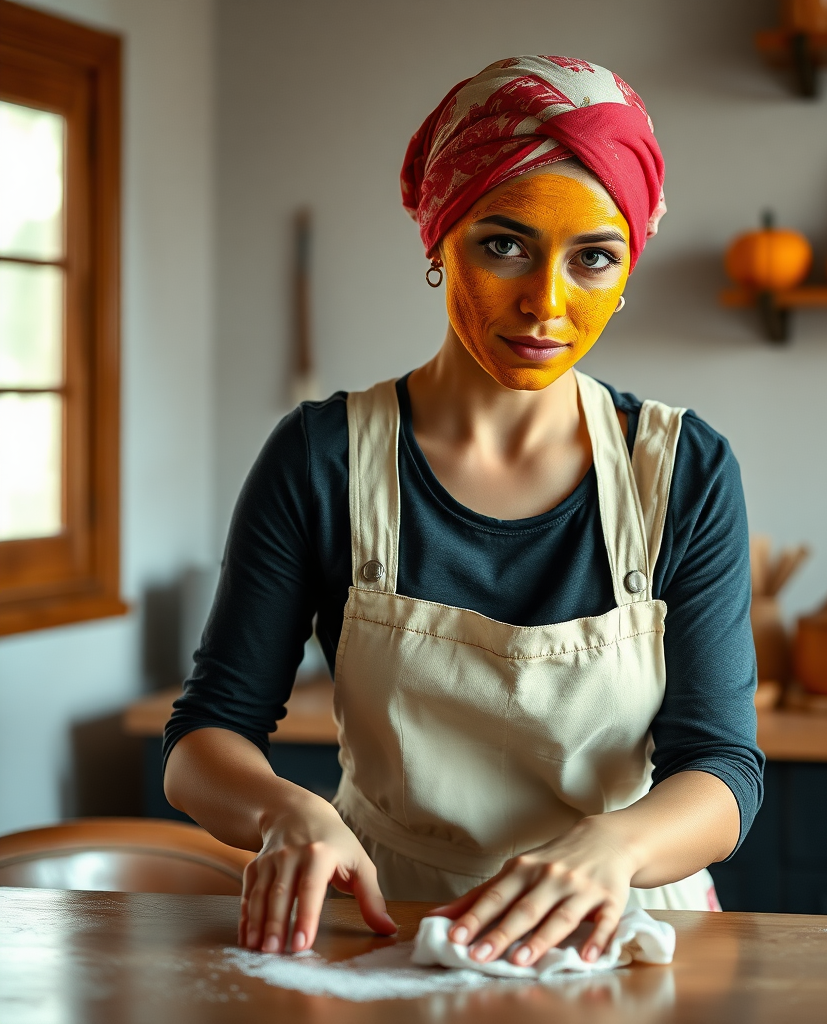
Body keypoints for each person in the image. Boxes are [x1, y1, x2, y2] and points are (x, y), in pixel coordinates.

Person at [164, 55, 763, 970]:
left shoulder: (681, 470)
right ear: (439, 240)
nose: (547, 304)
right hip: (390, 923)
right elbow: (206, 736)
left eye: (593, 258)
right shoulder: (322, 457)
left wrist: (613, 849)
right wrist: (291, 810)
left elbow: (723, 769)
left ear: (630, 263)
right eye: (504, 243)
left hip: (627, 930)